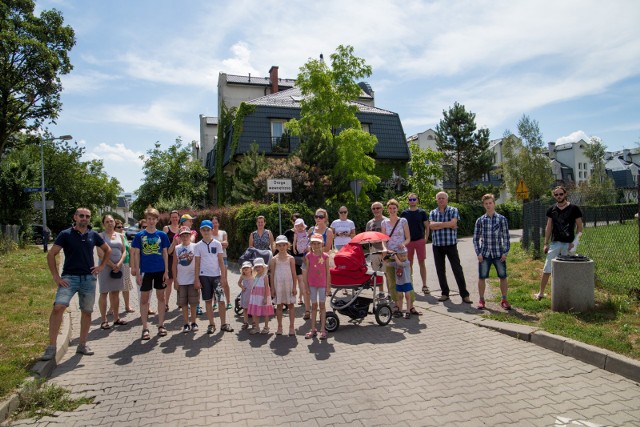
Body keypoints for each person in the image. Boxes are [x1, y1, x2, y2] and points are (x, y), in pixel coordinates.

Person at [41, 208, 111, 360]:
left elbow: (107, 250)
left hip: (88, 278)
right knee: (58, 307)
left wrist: (101, 266)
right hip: (69, 278)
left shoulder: (93, 235)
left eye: (87, 216)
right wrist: (56, 277)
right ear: (75, 217)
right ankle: (51, 347)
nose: (84, 218)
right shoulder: (65, 234)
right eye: (81, 216)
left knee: (87, 311)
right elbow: (51, 254)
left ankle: (82, 344)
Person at [535, 185, 584, 300]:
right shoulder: (551, 210)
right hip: (555, 243)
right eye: (556, 194)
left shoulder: (574, 208)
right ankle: (541, 293)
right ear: (554, 196)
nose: (559, 196)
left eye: (561, 194)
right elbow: (548, 227)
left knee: (568, 269)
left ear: (565, 194)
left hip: (569, 244)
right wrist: (545, 243)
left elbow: (580, 227)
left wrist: (575, 242)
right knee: (547, 268)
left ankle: (570, 294)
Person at [131, 206, 170, 340]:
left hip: (159, 270)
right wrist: (136, 272)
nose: (151, 221)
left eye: (154, 219)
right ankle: (145, 327)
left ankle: (161, 325)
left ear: (157, 220)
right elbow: (136, 254)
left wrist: (166, 271)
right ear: (145, 220)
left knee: (161, 298)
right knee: (144, 299)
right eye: (149, 219)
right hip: (145, 271)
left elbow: (165, 253)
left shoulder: (162, 235)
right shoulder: (140, 236)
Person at [429, 192, 472, 304]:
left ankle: (464, 294)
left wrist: (440, 225)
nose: (441, 200)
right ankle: (445, 293)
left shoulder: (453, 210)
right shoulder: (433, 212)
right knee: (440, 270)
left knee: (457, 269)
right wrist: (448, 224)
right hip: (437, 245)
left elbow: (453, 223)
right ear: (436, 200)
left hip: (450, 244)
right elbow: (432, 226)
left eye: (443, 198)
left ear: (447, 199)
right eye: (439, 198)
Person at [194, 220, 233, 334]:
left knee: (221, 301)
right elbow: (197, 263)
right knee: (208, 301)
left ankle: (224, 324)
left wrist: (224, 277)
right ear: (201, 231)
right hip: (204, 277)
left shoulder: (217, 244)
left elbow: (221, 261)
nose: (206, 232)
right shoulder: (198, 246)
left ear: (212, 230)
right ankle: (211, 324)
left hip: (217, 276)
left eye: (208, 229)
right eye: (203, 230)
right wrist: (196, 279)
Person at [473, 194, 512, 310]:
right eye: (486, 203)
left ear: (494, 204)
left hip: (498, 254)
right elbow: (475, 238)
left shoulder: (501, 219)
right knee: (482, 277)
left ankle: (504, 299)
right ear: (483, 205)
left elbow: (506, 237)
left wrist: (505, 253)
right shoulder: (480, 220)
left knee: (503, 276)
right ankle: (481, 300)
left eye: (490, 203)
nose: (488, 205)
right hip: (484, 254)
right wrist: (478, 253)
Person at [382, 199, 417, 315]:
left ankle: (411, 306)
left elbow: (408, 238)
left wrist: (404, 244)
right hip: (390, 254)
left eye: (394, 208)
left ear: (397, 209)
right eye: (390, 208)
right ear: (387, 210)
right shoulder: (384, 223)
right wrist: (385, 249)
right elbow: (383, 239)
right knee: (392, 281)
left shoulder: (403, 221)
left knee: (407, 279)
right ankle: (397, 305)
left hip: (402, 255)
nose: (392, 210)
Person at [97, 214, 127, 330]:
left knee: (116, 293)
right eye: (107, 221)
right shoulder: (100, 236)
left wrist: (119, 264)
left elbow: (124, 251)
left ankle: (116, 318)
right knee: (104, 292)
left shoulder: (120, 235)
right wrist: (111, 264)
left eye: (111, 221)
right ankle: (104, 320)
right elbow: (100, 253)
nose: (110, 223)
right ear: (103, 224)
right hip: (105, 267)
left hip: (119, 267)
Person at [401, 193, 430, 294]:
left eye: (414, 199)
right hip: (408, 242)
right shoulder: (404, 213)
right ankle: (410, 284)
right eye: (410, 199)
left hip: (419, 240)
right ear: (408, 201)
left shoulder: (422, 212)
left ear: (417, 200)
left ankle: (424, 285)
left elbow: (427, 226)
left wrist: (426, 238)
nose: (412, 201)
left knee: (422, 262)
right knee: (409, 263)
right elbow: (401, 228)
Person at [304, 233, 331, 339]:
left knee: (322, 306)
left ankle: (323, 329)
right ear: (311, 244)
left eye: (318, 243)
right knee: (314, 306)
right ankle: (313, 329)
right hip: (312, 285)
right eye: (313, 243)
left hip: (322, 285)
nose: (316, 245)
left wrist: (328, 287)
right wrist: (306, 286)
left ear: (322, 244)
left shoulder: (325, 256)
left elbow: (328, 272)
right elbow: (306, 271)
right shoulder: (308, 256)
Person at [270, 235, 297, 336]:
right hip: (278, 285)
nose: (282, 247)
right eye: (279, 245)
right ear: (276, 246)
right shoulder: (274, 259)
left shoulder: (291, 258)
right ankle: (279, 327)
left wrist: (294, 287)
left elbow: (294, 273)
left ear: (287, 245)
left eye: (284, 245)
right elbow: (272, 274)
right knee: (279, 306)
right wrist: (272, 288)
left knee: (291, 305)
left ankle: (292, 327)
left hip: (289, 284)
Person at [173, 228, 199, 333]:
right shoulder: (177, 248)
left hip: (192, 280)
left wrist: (197, 279)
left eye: (187, 235)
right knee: (183, 304)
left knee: (193, 304)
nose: (185, 237)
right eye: (182, 235)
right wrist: (175, 280)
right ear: (180, 236)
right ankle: (186, 324)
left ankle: (193, 322)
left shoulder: (195, 247)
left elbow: (198, 263)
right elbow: (174, 265)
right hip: (181, 280)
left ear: (190, 235)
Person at [385, 247, 414, 318]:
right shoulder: (395, 263)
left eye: (405, 256)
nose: (403, 257)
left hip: (406, 282)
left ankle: (408, 311)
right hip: (399, 283)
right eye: (401, 256)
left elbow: (400, 264)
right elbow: (387, 264)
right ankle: (400, 311)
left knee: (407, 296)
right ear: (398, 256)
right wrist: (384, 258)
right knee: (400, 297)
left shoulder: (407, 262)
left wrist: (395, 256)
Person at [247, 258, 274, 334]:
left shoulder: (264, 276)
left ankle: (266, 327)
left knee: (265, 312)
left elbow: (266, 287)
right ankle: (257, 327)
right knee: (255, 312)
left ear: (263, 267)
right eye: (256, 267)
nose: (258, 268)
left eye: (259, 266)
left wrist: (265, 298)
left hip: (262, 296)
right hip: (255, 297)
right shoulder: (256, 276)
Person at [366, 201, 388, 293]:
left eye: (378, 208)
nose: (376, 210)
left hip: (385, 249)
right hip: (374, 250)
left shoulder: (387, 221)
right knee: (377, 273)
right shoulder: (369, 223)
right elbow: (366, 236)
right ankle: (381, 292)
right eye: (374, 208)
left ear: (382, 209)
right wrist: (370, 240)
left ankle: (390, 293)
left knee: (388, 273)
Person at [114, 220, 135, 314]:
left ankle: (127, 305)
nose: (121, 228)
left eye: (122, 227)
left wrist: (132, 263)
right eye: (119, 227)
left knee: (126, 286)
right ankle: (112, 307)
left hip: (125, 263)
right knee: (114, 287)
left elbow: (129, 250)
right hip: (115, 264)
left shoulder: (124, 236)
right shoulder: (113, 237)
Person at [211, 216, 232, 310]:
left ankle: (229, 302)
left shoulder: (223, 232)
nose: (214, 224)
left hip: (223, 258)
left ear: (218, 224)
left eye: (216, 223)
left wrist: (215, 243)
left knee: (224, 281)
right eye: (213, 223)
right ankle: (214, 302)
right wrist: (220, 243)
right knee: (214, 281)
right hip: (212, 260)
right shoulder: (209, 233)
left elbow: (226, 244)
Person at [292, 217, 311, 315]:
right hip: (300, 248)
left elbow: (308, 240)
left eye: (301, 226)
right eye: (298, 226)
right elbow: (294, 242)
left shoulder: (305, 232)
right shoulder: (296, 234)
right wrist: (294, 248)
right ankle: (302, 298)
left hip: (305, 249)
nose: (299, 228)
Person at [163, 210, 181, 311]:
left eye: (176, 217)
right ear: (170, 218)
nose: (174, 219)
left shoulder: (181, 229)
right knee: (169, 282)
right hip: (169, 257)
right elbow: (164, 245)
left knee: (180, 280)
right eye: (173, 217)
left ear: (179, 218)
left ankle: (180, 302)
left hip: (179, 257)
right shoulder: (166, 228)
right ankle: (166, 303)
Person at [238, 261, 254, 330]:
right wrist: (242, 287)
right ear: (242, 270)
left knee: (253, 309)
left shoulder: (254, 276)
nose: (246, 269)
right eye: (244, 268)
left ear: (251, 269)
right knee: (245, 309)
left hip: (252, 294)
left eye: (247, 268)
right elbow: (239, 283)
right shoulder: (243, 276)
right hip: (245, 294)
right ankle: (245, 322)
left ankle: (254, 322)